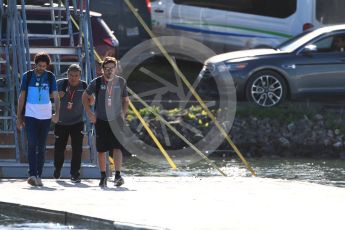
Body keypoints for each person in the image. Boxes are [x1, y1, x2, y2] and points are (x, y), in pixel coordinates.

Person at [82, 56, 129, 187]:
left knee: (117, 148)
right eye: (107, 68)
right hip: (101, 119)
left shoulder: (121, 82)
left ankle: (118, 175)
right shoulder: (96, 82)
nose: (109, 71)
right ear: (102, 69)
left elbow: (126, 100)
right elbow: (85, 96)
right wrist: (89, 113)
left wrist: (123, 114)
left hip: (116, 120)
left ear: (116, 69)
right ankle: (103, 176)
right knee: (101, 150)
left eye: (112, 68)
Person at [16, 52, 60, 186]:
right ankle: (32, 174)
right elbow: (22, 97)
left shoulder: (50, 76)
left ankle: (39, 175)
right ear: (35, 64)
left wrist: (57, 113)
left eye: (44, 66)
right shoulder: (27, 76)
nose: (42, 68)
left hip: (45, 116)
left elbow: (56, 97)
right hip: (30, 114)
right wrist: (19, 117)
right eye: (39, 65)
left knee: (41, 146)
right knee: (32, 144)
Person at [53, 64, 88, 183]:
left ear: (80, 76)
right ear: (67, 75)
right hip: (61, 122)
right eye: (71, 75)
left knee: (77, 149)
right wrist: (57, 95)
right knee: (59, 149)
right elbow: (48, 95)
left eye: (76, 76)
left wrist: (91, 99)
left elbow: (91, 100)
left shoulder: (83, 85)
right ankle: (57, 169)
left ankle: (75, 174)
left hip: (77, 122)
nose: (73, 78)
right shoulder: (60, 83)